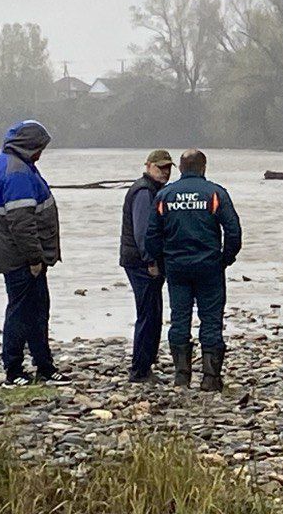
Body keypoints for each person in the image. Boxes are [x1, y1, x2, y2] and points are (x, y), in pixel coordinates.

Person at [145, 149, 241, 392]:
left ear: (180, 168)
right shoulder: (216, 193)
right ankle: (210, 378)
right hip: (209, 266)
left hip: (177, 268)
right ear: (203, 168)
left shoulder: (165, 196)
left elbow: (152, 236)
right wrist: (225, 259)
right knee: (211, 319)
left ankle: (182, 376)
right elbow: (233, 231)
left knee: (179, 319)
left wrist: (162, 261)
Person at [0, 120, 71, 387]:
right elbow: (21, 223)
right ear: (29, 146)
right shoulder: (18, 173)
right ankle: (13, 370)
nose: (41, 153)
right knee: (22, 313)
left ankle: (43, 365)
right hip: (21, 259)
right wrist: (35, 258)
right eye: (40, 147)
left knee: (37, 310)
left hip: (17, 256)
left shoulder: (7, 163)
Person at [119, 149, 174, 383]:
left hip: (144, 260)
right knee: (148, 314)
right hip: (141, 263)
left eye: (168, 168)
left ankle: (146, 364)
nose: (165, 172)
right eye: (160, 167)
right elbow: (142, 231)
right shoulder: (143, 191)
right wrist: (150, 260)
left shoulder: (155, 190)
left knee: (153, 313)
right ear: (148, 165)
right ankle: (139, 369)